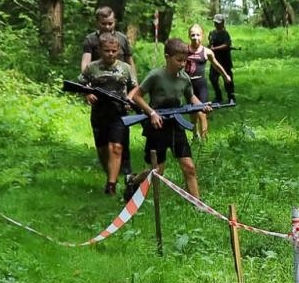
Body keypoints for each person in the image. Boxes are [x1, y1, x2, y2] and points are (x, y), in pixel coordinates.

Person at [128, 37, 209, 198]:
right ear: (167, 57)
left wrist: (203, 106)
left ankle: (198, 205)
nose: (182, 64)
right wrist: (151, 113)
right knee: (156, 170)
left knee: (189, 167)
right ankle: (133, 180)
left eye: (185, 61)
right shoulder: (156, 76)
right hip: (157, 125)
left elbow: (191, 97)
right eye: (178, 60)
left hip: (176, 124)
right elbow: (137, 96)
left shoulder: (185, 78)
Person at [79, 34, 137, 197]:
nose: (110, 54)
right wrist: (88, 94)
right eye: (106, 51)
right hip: (99, 113)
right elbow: (81, 84)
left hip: (119, 112)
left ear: (118, 50)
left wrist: (129, 98)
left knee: (116, 147)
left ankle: (111, 184)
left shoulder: (125, 68)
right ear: (100, 50)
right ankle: (110, 174)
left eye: (113, 51)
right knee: (103, 150)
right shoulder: (92, 68)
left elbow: (135, 87)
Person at [185, 24, 229, 140]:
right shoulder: (185, 50)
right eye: (193, 35)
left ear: (202, 36)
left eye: (198, 35)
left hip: (201, 84)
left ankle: (204, 138)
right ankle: (195, 135)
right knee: (192, 112)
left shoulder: (207, 52)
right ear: (189, 36)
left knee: (202, 111)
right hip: (188, 85)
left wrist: (225, 75)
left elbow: (216, 65)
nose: (195, 37)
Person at [80, 5, 135, 78]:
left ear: (115, 21)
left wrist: (135, 82)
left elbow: (130, 62)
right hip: (98, 79)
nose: (107, 27)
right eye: (103, 24)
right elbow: (86, 61)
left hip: (120, 79)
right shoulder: (91, 39)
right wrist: (85, 78)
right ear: (97, 22)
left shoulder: (122, 38)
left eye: (110, 23)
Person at [208, 14, 235, 103]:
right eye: (215, 23)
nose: (217, 24)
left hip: (225, 60)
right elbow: (210, 43)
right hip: (215, 59)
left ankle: (231, 97)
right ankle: (218, 96)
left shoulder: (225, 33)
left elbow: (227, 45)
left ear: (222, 23)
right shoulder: (212, 33)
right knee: (212, 78)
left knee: (227, 79)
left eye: (218, 23)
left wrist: (215, 48)